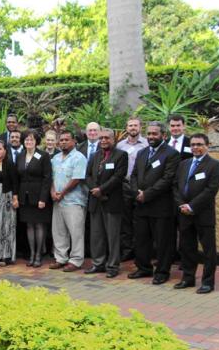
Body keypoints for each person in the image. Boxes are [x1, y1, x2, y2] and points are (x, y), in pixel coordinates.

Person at [128, 121, 180, 285]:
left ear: (163, 135)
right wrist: (137, 192)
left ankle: (162, 272)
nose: (151, 137)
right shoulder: (142, 152)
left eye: (154, 134)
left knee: (163, 241)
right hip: (141, 205)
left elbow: (168, 179)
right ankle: (143, 268)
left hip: (161, 206)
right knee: (141, 239)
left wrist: (147, 194)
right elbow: (134, 175)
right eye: (149, 134)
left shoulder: (171, 154)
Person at [173, 133, 219, 294]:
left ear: (207, 145)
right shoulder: (184, 164)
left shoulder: (214, 165)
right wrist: (181, 204)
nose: (195, 147)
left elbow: (211, 190)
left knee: (208, 250)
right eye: (193, 144)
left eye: (199, 144)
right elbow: (175, 186)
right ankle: (188, 278)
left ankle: (208, 282)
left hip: (203, 214)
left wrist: (192, 206)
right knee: (187, 248)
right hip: (184, 214)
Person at [85, 128, 128, 278]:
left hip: (112, 201)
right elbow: (88, 175)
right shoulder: (95, 155)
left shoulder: (121, 155)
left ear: (113, 140)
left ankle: (112, 266)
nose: (103, 140)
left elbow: (118, 177)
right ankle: (98, 264)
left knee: (113, 236)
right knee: (97, 235)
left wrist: (102, 190)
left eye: (106, 138)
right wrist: (94, 190)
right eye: (101, 138)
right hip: (95, 201)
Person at [49, 130, 88, 272]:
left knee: (76, 232)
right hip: (57, 201)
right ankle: (60, 258)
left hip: (74, 201)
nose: (63, 142)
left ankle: (76, 260)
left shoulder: (79, 158)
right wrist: (53, 192)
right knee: (58, 231)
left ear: (74, 141)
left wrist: (62, 193)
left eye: (67, 139)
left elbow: (77, 179)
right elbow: (51, 178)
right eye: (61, 140)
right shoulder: (55, 158)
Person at [16, 130, 52, 267]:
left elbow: (47, 178)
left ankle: (38, 255)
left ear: (36, 141)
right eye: (26, 140)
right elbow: (18, 177)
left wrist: (43, 198)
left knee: (39, 225)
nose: (28, 142)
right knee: (29, 225)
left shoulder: (43, 156)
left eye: (31, 140)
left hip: (39, 197)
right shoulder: (20, 156)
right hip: (24, 197)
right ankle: (31, 254)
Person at [116, 117, 148, 261]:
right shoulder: (120, 145)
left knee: (140, 220)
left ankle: (141, 250)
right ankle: (127, 249)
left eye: (135, 125)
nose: (133, 128)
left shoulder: (147, 144)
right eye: (130, 126)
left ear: (140, 127)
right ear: (126, 128)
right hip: (124, 185)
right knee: (125, 219)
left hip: (141, 186)